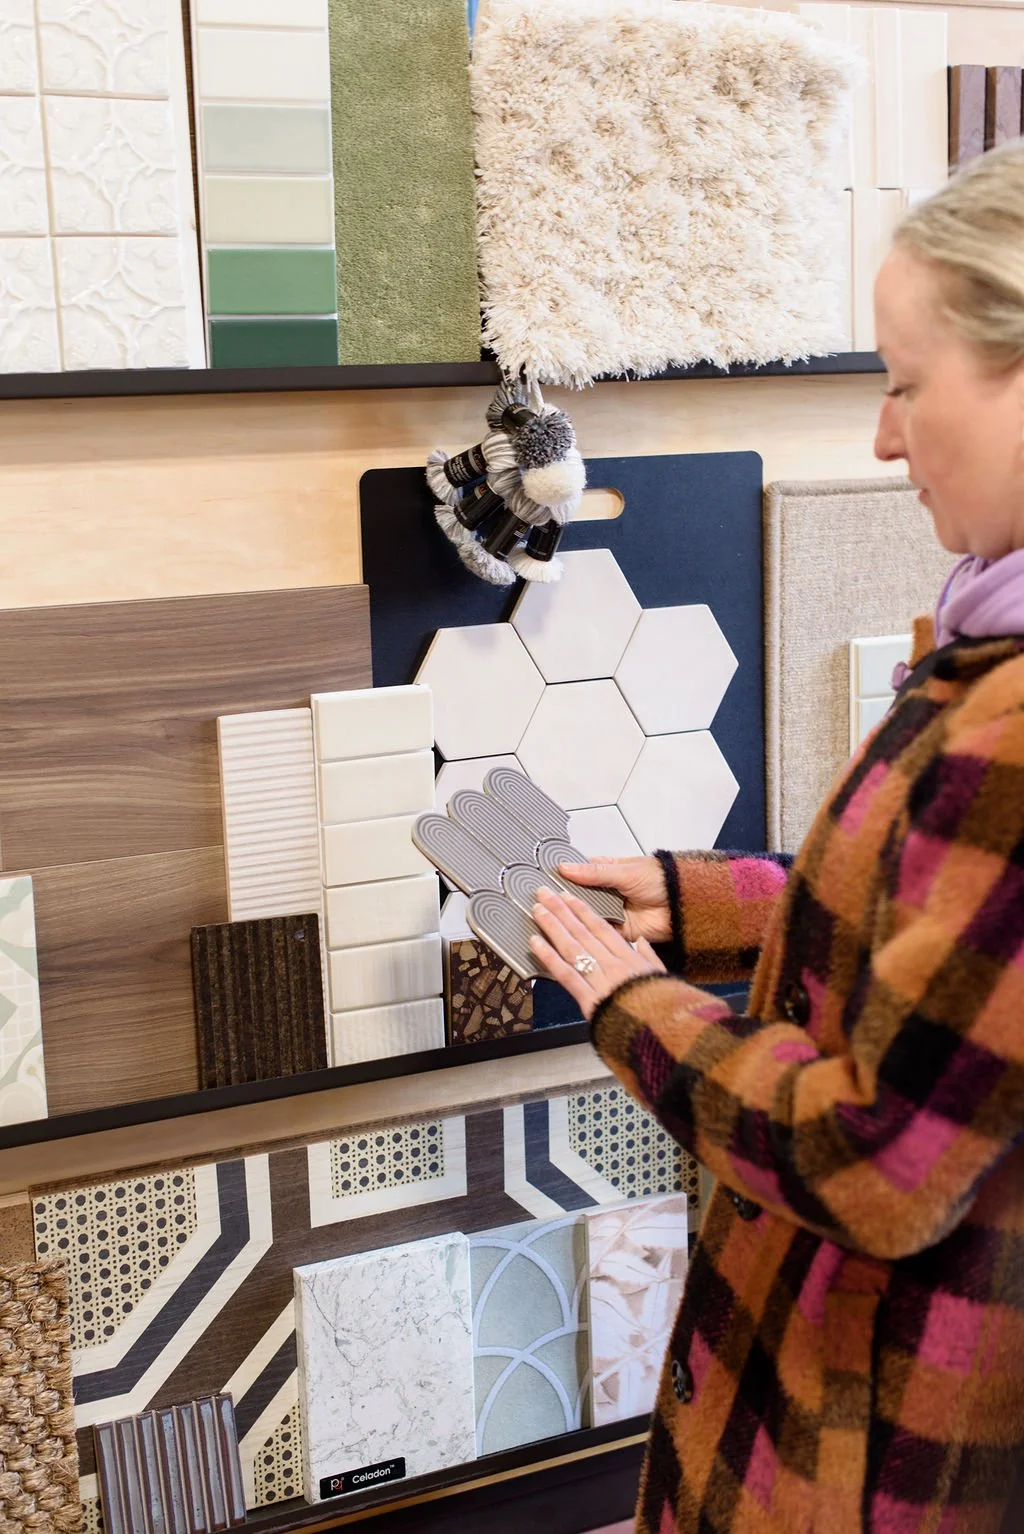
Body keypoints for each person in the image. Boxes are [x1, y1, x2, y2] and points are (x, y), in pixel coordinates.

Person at [530, 142, 1024, 1534]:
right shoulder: (987, 641)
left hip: (873, 1449)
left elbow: (874, 1154)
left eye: (908, 384)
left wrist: (635, 1007)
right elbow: (958, 937)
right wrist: (710, 906)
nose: (881, 435)